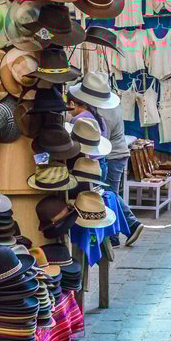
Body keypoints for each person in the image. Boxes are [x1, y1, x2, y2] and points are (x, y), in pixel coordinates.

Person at [67, 72, 141, 246]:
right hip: (113, 154)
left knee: (109, 195)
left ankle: (128, 225)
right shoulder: (101, 109)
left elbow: (97, 139)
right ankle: (117, 233)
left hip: (112, 155)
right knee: (109, 194)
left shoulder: (100, 113)